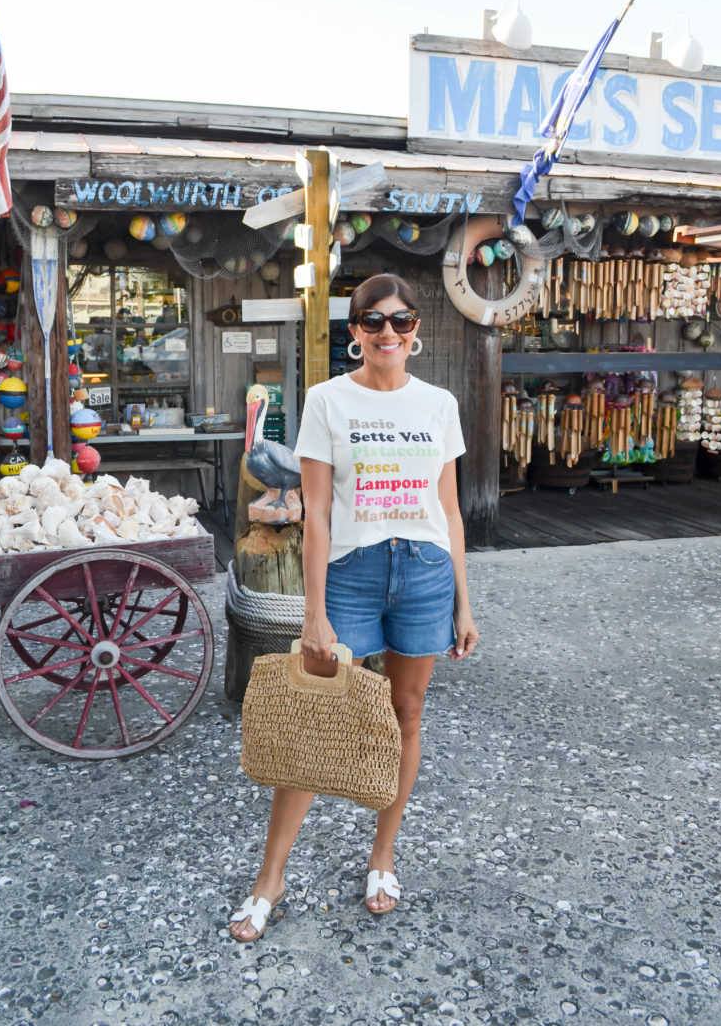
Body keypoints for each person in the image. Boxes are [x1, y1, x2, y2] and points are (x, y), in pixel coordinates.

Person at [229, 272, 479, 942]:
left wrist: (464, 602)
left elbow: (451, 512)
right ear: (355, 331)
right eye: (374, 321)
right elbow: (315, 517)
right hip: (351, 573)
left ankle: (382, 856)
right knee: (315, 715)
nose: (388, 332)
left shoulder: (439, 404)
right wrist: (313, 612)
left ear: (416, 328)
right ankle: (271, 877)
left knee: (406, 714)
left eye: (401, 320)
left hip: (425, 571)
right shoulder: (328, 400)